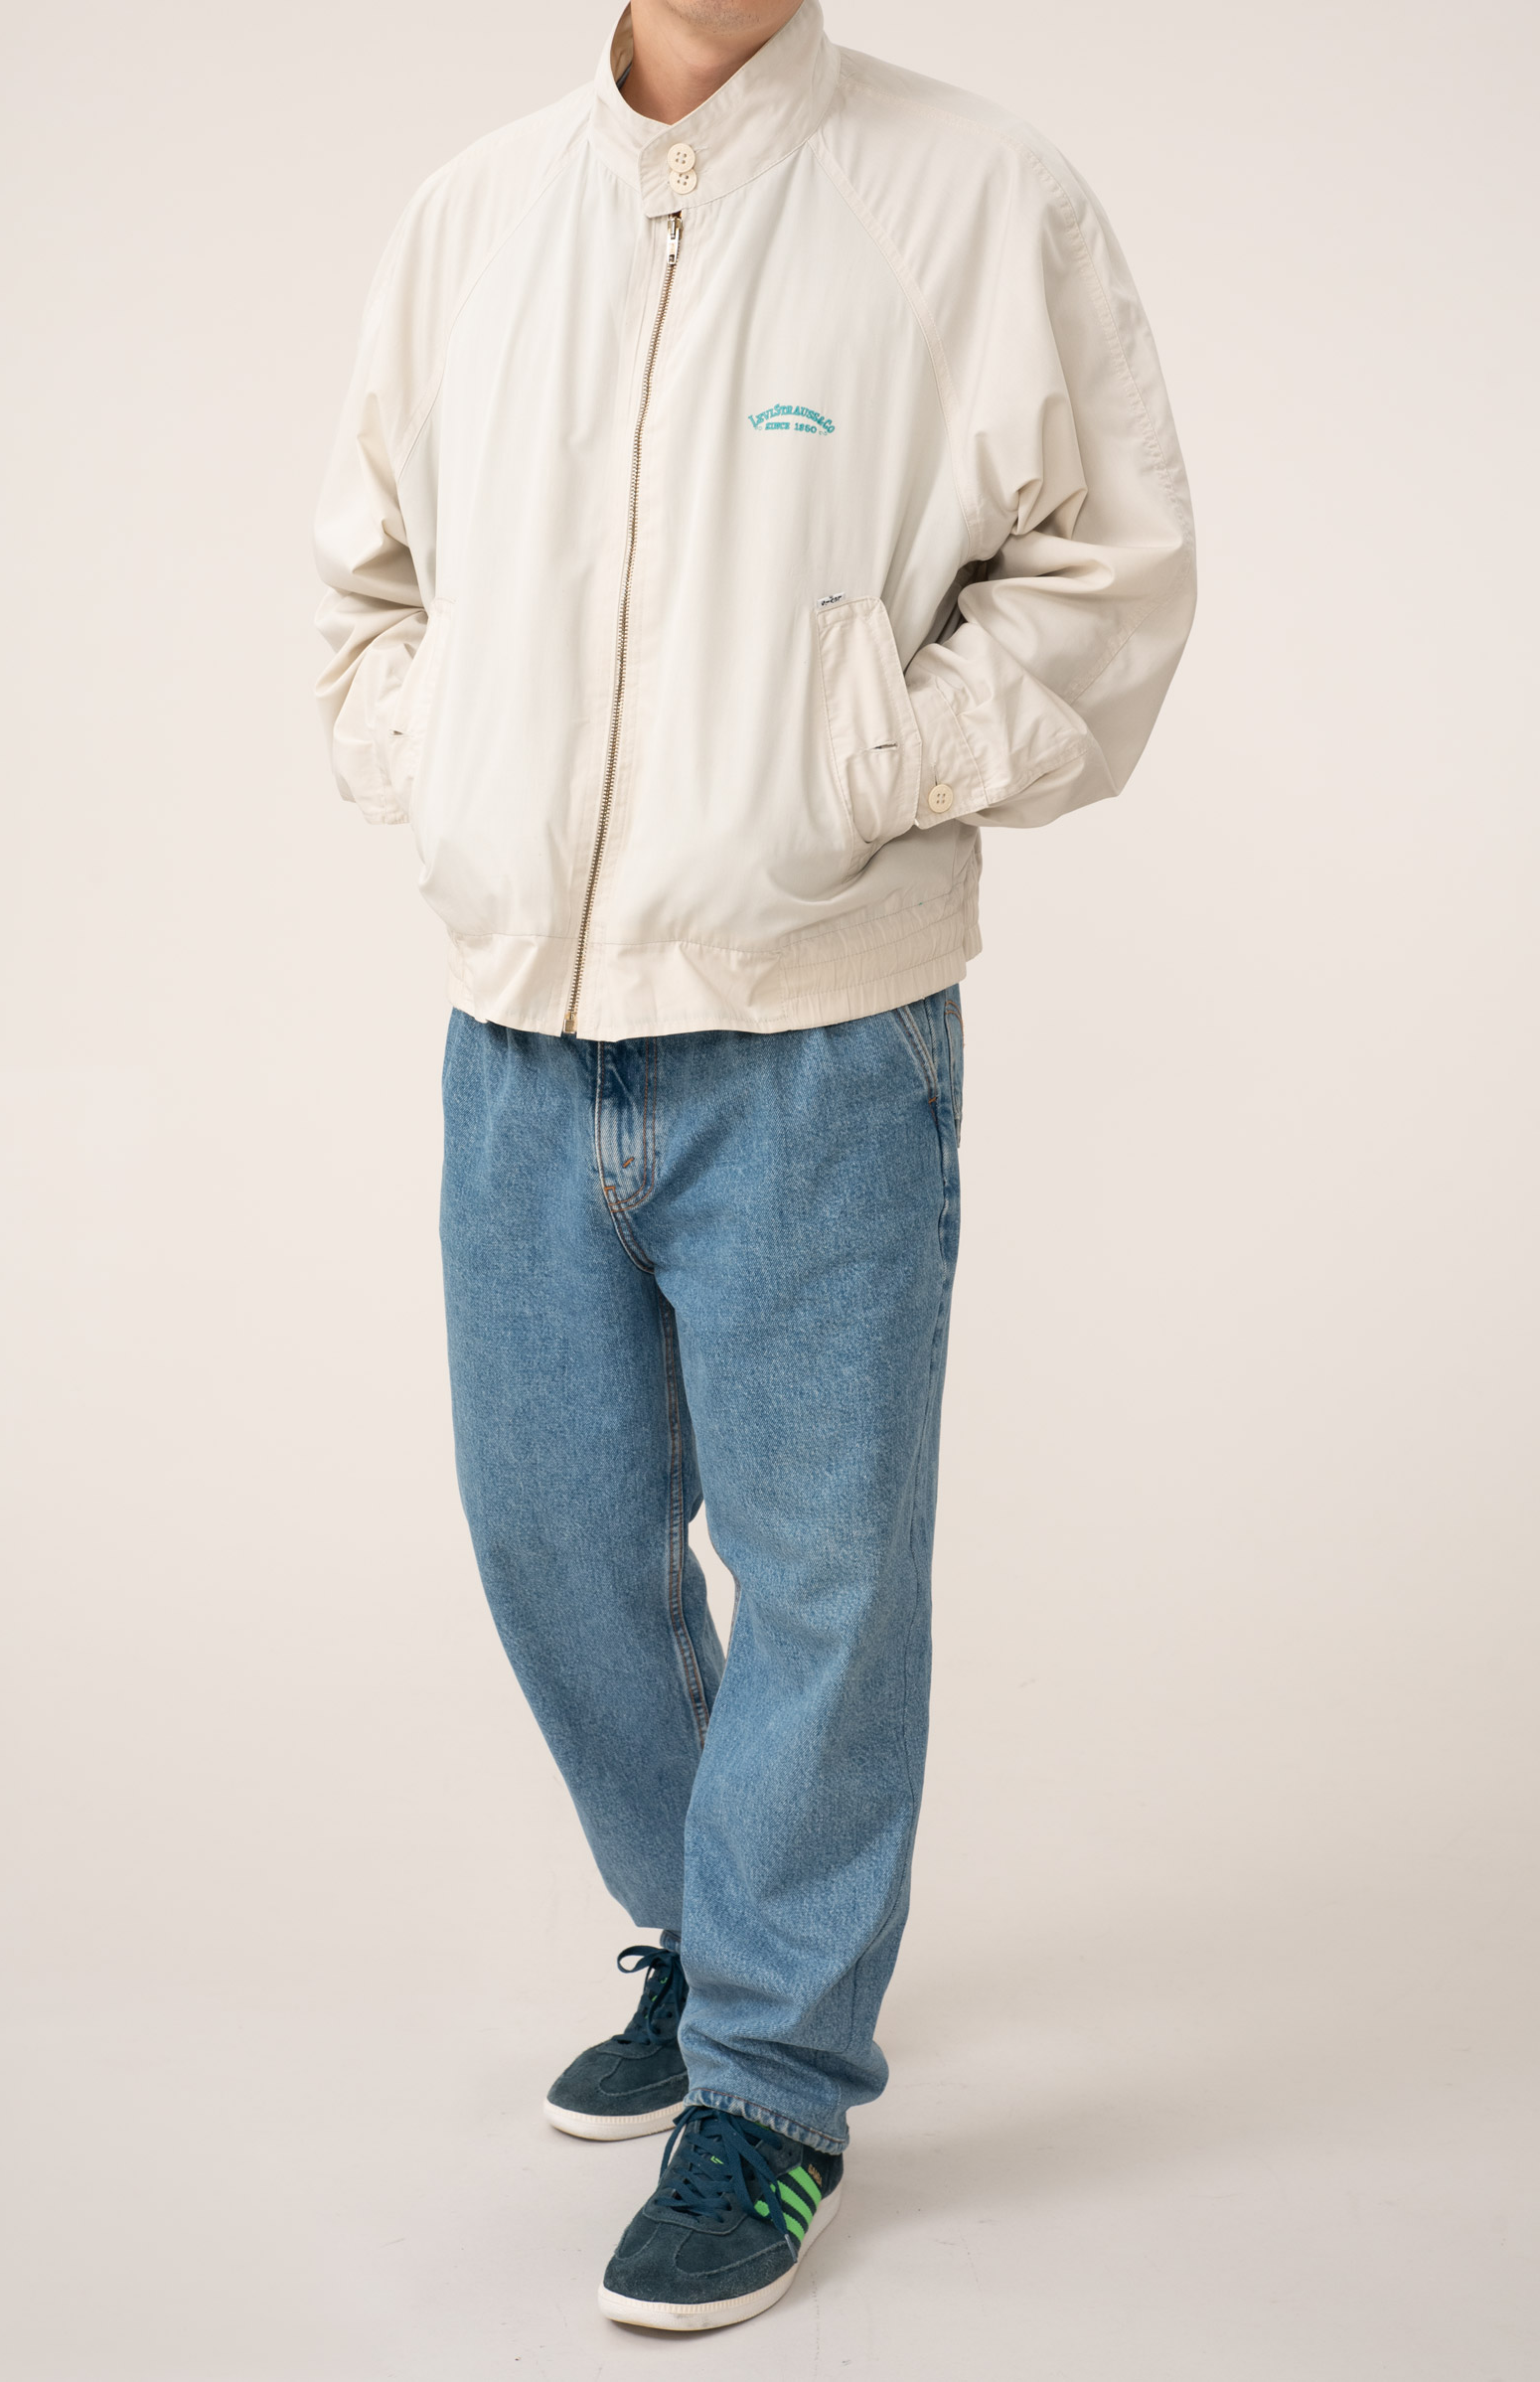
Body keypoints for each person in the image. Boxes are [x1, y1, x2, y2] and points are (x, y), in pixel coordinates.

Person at [313, 0, 1193, 2332]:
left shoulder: (972, 194)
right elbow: (366, 585)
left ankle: (777, 2081)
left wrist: (851, 758)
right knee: (552, 1539)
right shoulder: (474, 215)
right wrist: (456, 765)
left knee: (821, 1577)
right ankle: (709, 1938)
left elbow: (1108, 582)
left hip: (817, 1031)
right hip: (518, 1027)